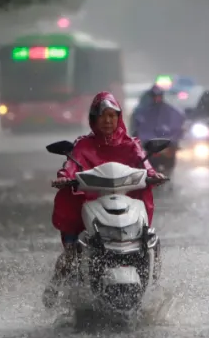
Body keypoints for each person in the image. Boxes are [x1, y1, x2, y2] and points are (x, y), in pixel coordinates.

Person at [43, 92, 167, 307]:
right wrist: (64, 178)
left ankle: (155, 287)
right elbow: (70, 167)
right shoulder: (82, 146)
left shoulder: (132, 145)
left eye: (112, 115)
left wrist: (153, 175)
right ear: (93, 119)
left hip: (125, 202)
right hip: (90, 203)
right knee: (71, 252)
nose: (108, 121)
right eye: (102, 116)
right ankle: (55, 285)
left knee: (151, 240)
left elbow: (145, 165)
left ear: (119, 117)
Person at [131, 85, 187, 174]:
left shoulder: (169, 111)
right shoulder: (142, 112)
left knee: (167, 169)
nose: (157, 99)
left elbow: (178, 124)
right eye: (156, 96)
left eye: (159, 96)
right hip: (150, 146)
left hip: (165, 145)